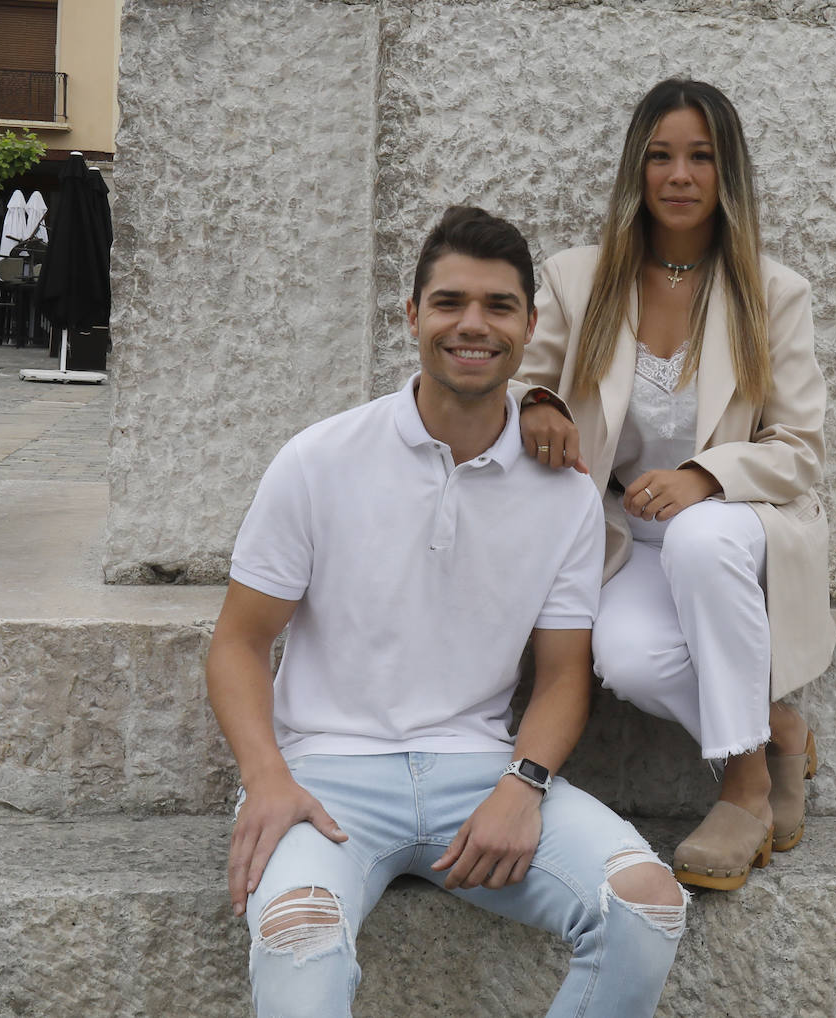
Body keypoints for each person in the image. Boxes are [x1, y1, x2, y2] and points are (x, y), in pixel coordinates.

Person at [206, 206, 686, 1018]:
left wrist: (524, 783)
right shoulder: (319, 460)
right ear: (412, 316)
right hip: (327, 777)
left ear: (530, 326)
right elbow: (239, 645)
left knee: (646, 903)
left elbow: (566, 676)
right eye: (450, 302)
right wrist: (266, 780)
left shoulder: (566, 495)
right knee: (297, 935)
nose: (473, 324)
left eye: (499, 306)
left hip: (479, 771)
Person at [517, 79, 836, 892]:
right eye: (661, 156)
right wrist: (540, 404)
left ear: (727, 173)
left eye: (701, 156)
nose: (680, 175)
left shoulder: (774, 291)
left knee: (699, 536)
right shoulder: (576, 281)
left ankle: (744, 788)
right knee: (625, 661)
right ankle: (777, 731)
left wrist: (705, 475)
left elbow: (799, 448)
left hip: (738, 526)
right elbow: (521, 379)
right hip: (631, 540)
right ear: (638, 168)